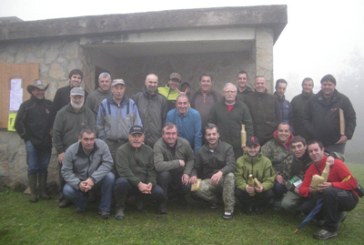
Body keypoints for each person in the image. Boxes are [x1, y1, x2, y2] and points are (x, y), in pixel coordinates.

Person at [298, 140, 359, 240]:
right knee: (306, 207)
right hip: (329, 196)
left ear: (322, 150)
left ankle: (330, 229)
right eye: (311, 151)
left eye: (316, 150)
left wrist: (332, 184)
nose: (314, 153)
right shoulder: (311, 169)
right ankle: (337, 215)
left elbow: (353, 183)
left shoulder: (336, 163)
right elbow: (302, 189)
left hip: (348, 196)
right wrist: (311, 190)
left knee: (329, 191)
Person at [53, 87, 95, 207]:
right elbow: (56, 133)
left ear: (84, 98)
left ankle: (87, 195)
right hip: (66, 151)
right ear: (70, 97)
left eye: (80, 97)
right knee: (64, 174)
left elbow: (93, 131)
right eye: (75, 97)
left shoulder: (88, 113)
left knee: (86, 173)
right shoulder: (61, 113)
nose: (77, 99)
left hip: (85, 151)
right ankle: (64, 197)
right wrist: (60, 151)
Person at [114, 126, 167, 220]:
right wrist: (139, 184)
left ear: (143, 137)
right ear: (129, 137)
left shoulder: (149, 151)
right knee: (121, 182)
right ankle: (120, 208)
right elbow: (123, 171)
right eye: (134, 136)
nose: (136, 139)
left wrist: (150, 183)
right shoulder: (121, 150)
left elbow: (152, 170)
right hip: (129, 183)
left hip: (145, 183)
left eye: (139, 136)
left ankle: (140, 201)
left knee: (159, 193)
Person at [61, 129, 115, 219]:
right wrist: (78, 184)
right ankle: (82, 204)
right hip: (80, 181)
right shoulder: (70, 151)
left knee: (110, 177)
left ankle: (104, 209)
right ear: (80, 139)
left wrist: (93, 179)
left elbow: (108, 163)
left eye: (92, 139)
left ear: (95, 139)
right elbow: (66, 171)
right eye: (86, 139)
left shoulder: (102, 145)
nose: (89, 142)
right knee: (67, 190)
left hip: (97, 180)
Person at [14, 79, 53, 202]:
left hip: (46, 141)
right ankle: (33, 193)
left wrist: (51, 134)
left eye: (42, 89)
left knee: (43, 167)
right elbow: (18, 124)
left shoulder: (49, 105)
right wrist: (27, 138)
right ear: (32, 91)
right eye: (37, 90)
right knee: (33, 167)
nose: (40, 92)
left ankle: (42, 191)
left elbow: (55, 121)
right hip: (31, 142)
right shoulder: (25, 106)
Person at [303, 74, 356, 154]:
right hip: (317, 142)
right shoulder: (313, 100)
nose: (327, 87)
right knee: (318, 165)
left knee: (335, 165)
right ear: (321, 86)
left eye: (329, 84)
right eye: (324, 84)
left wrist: (347, 135)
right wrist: (312, 132)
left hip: (337, 143)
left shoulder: (343, 100)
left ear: (334, 85)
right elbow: (305, 118)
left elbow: (351, 118)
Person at [192, 123, 236, 219]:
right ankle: (214, 200)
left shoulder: (227, 147)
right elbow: (196, 167)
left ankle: (228, 209)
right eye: (209, 134)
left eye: (214, 134)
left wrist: (221, 172)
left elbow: (231, 165)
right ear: (205, 136)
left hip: (224, 179)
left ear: (218, 135)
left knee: (230, 176)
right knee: (195, 188)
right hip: (209, 181)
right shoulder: (201, 151)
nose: (211, 137)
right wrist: (194, 175)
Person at [96, 78, 142, 160]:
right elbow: (99, 124)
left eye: (121, 88)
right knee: (111, 167)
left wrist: (136, 139)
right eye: (116, 88)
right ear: (112, 90)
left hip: (127, 144)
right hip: (110, 144)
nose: (119, 91)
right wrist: (103, 140)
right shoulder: (104, 104)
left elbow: (137, 123)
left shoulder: (131, 104)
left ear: (124, 89)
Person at [208, 82, 253, 158]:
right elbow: (210, 124)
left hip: (238, 147)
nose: (230, 94)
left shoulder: (243, 107)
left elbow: (249, 126)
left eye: (232, 92)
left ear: (236, 93)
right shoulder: (216, 107)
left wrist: (248, 142)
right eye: (227, 92)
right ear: (224, 93)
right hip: (221, 146)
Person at [153, 123, 194, 202]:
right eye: (168, 133)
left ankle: (180, 197)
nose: (171, 136)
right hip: (166, 175)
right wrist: (177, 163)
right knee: (164, 175)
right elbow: (158, 165)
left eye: (173, 133)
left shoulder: (185, 143)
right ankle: (163, 202)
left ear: (177, 134)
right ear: (162, 135)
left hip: (180, 174)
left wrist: (187, 173)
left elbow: (191, 159)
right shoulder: (158, 145)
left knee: (187, 185)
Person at [235, 136, 275, 214]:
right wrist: (245, 187)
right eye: (250, 147)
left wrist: (263, 187)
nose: (252, 149)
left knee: (269, 193)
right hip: (247, 190)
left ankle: (260, 206)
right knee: (238, 192)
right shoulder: (240, 160)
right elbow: (238, 177)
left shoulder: (266, 161)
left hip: (260, 190)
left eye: (255, 147)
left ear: (259, 147)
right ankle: (247, 206)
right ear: (245, 147)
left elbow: (270, 179)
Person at [243, 76, 280, 145]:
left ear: (265, 84)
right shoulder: (247, 98)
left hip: (270, 136)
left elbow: (278, 117)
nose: (260, 85)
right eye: (258, 83)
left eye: (262, 83)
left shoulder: (273, 99)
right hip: (254, 135)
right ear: (254, 85)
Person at [133, 73, 168, 147]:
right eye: (150, 82)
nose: (153, 84)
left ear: (158, 84)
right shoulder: (137, 98)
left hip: (157, 140)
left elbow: (164, 120)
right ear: (145, 82)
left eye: (155, 82)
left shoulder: (162, 100)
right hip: (140, 139)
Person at [261, 122, 294, 199]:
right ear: (276, 131)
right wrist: (275, 175)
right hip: (277, 178)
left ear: (290, 132)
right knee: (278, 187)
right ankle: (277, 200)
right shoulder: (269, 145)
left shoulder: (296, 143)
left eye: (286, 131)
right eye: (281, 131)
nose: (283, 133)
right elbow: (262, 161)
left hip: (293, 176)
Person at [279, 136, 312, 212]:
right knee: (285, 204)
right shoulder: (289, 160)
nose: (297, 149)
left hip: (312, 188)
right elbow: (285, 179)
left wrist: (332, 155)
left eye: (299, 146)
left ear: (305, 146)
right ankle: (300, 208)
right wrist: (293, 188)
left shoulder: (313, 155)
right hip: (297, 186)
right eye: (294, 147)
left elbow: (337, 156)